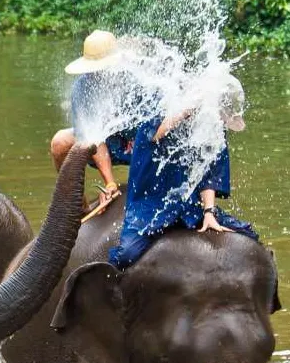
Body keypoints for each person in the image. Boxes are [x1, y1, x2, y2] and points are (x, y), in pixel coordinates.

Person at [109, 74, 256, 269]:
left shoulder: (212, 128)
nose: (220, 120)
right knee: (126, 256)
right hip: (151, 205)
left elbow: (210, 174)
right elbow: (155, 134)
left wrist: (209, 211)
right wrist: (187, 110)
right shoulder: (161, 107)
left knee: (249, 235)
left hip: (189, 205)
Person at [50, 29, 135, 204]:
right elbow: (92, 138)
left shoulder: (136, 79)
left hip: (139, 143)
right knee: (59, 142)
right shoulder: (82, 89)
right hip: (109, 146)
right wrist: (110, 183)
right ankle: (78, 206)